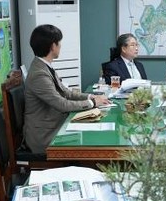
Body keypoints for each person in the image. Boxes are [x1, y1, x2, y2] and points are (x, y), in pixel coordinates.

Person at [24, 24, 109, 153]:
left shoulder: (44, 66)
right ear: (53, 46)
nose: (60, 46)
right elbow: (62, 104)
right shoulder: (39, 74)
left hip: (54, 125)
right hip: (45, 136)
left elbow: (66, 93)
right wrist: (92, 103)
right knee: (91, 141)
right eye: (59, 43)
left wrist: (90, 96)